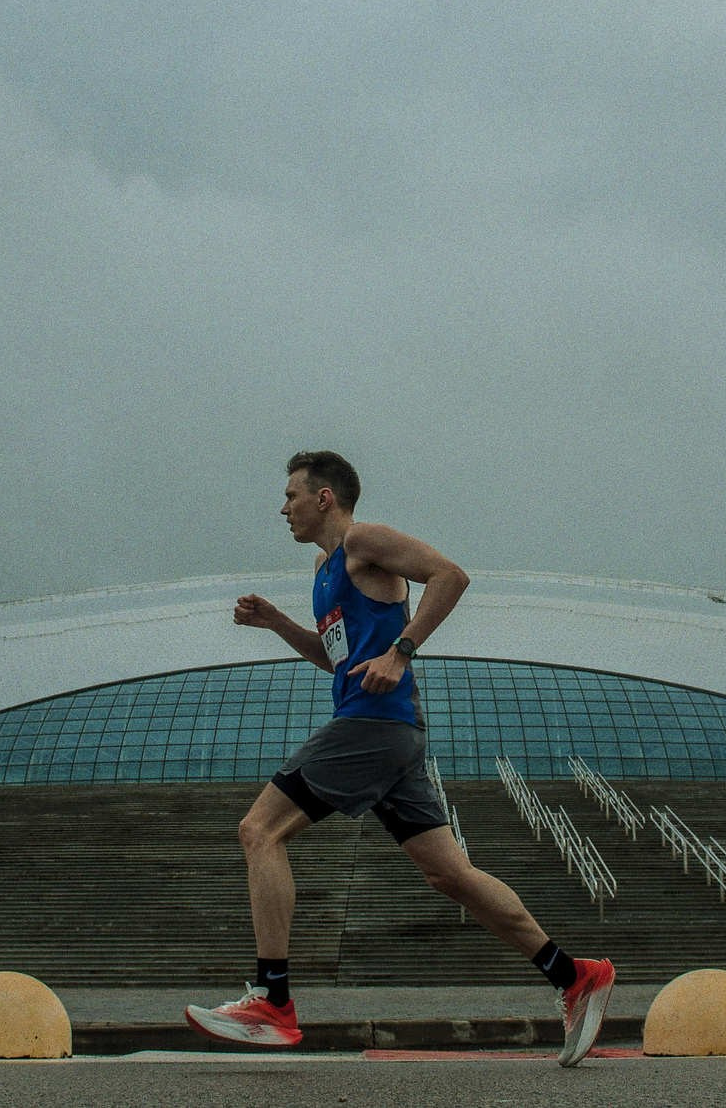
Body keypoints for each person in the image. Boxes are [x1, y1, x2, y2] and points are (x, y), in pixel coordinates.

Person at [184, 449, 617, 1067]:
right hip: (391, 735)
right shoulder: (323, 567)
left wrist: (402, 652)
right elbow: (338, 659)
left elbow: (450, 575)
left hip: (371, 726)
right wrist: (279, 623)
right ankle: (575, 975)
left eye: (291, 495)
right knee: (450, 875)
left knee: (259, 831)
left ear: (325, 496)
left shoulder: (366, 541)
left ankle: (272, 1003)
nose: (283, 508)